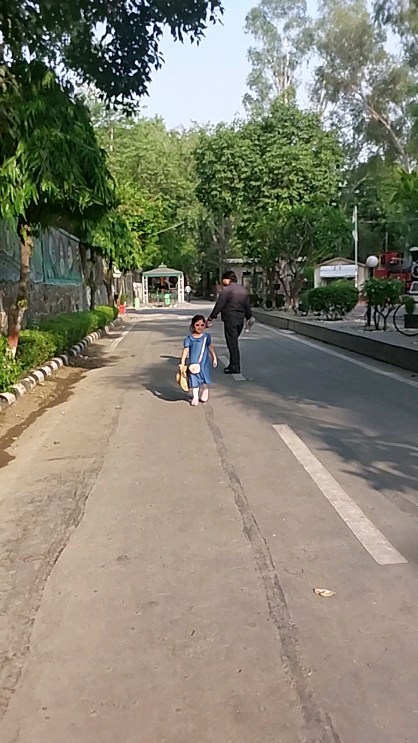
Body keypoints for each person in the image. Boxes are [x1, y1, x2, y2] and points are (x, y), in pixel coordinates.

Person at [207, 270, 252, 375]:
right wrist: (248, 317)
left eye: (223, 279)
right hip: (240, 319)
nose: (222, 281)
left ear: (228, 279)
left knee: (232, 343)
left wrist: (211, 317)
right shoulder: (243, 290)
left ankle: (235, 366)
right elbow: (247, 306)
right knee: (234, 342)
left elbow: (219, 305)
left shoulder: (226, 291)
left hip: (230, 319)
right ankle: (233, 364)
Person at [180, 315, 217, 406]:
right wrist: (182, 362)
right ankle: (195, 397)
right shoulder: (189, 339)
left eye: (202, 325)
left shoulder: (206, 337)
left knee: (204, 378)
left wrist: (214, 358)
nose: (200, 327)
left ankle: (205, 390)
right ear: (193, 325)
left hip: (204, 363)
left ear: (205, 325)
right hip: (193, 363)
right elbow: (186, 350)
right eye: (197, 325)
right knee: (194, 379)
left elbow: (210, 347)